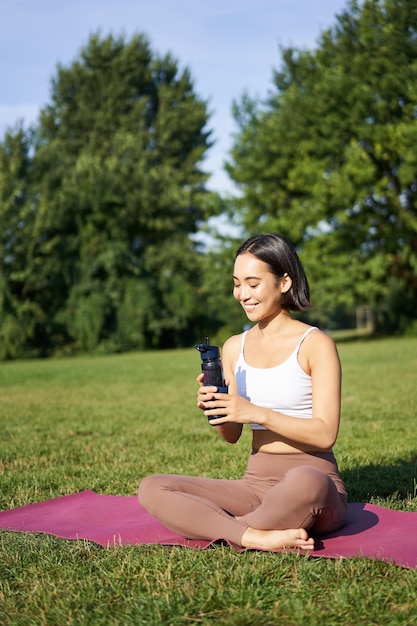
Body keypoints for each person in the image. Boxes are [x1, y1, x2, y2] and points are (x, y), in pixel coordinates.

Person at [138, 233, 347, 551]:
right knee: (152, 487)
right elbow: (231, 435)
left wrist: (255, 412)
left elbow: (325, 434)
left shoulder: (316, 344)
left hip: (313, 481)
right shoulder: (236, 346)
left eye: (253, 283)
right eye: (237, 283)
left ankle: (224, 527)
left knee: (307, 482)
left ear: (284, 282)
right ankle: (256, 535)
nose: (242, 294)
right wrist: (218, 408)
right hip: (254, 484)